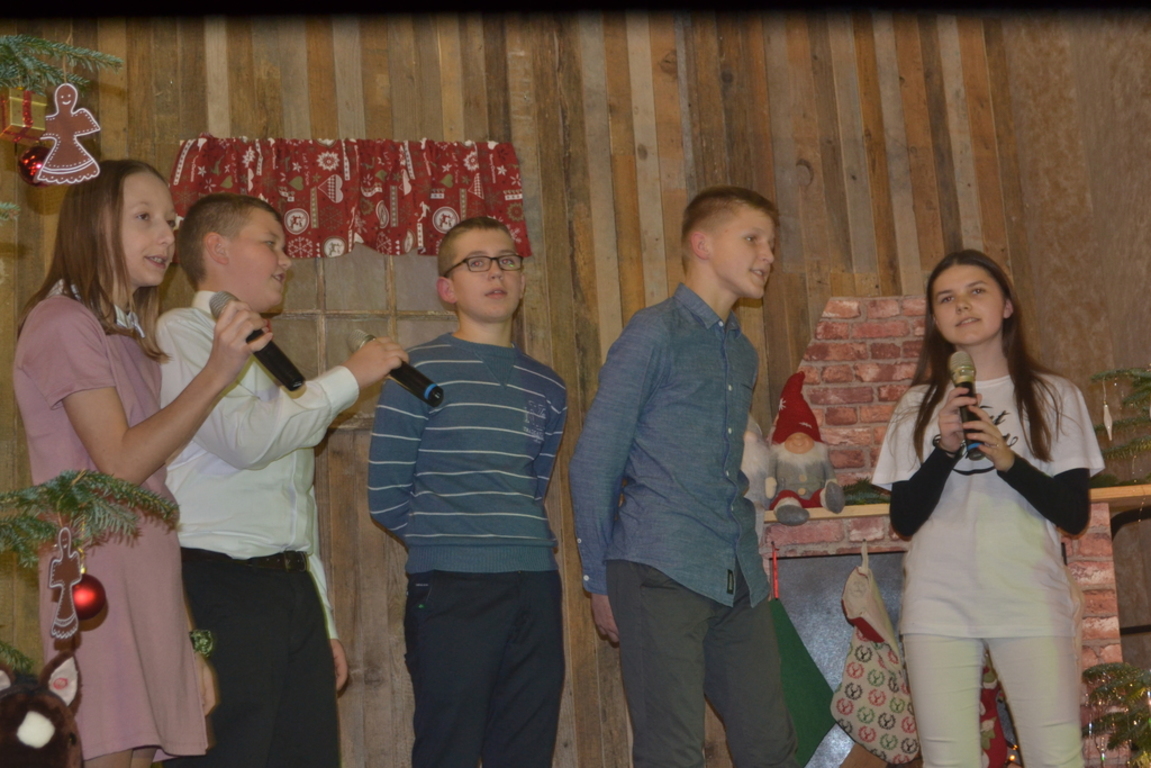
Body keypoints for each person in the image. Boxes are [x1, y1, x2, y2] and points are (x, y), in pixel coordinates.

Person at [12, 160, 266, 768]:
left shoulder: (132, 343)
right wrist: (216, 374)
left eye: (170, 221)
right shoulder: (62, 322)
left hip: (148, 578)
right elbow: (119, 464)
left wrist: (187, 639)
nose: (165, 236)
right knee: (104, 746)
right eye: (144, 218)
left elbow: (154, 499)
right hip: (92, 576)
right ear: (94, 224)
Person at [157, 193, 407, 768]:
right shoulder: (183, 331)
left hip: (290, 592)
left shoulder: (264, 353)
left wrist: (322, 617)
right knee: (226, 755)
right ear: (217, 248)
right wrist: (350, 376)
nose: (286, 260)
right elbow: (243, 441)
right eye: (270, 242)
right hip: (218, 583)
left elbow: (294, 500)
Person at [570, 186, 798, 768]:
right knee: (671, 753)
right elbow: (595, 459)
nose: (768, 255)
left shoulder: (741, 353)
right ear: (702, 244)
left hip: (737, 572)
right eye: (753, 239)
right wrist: (598, 579)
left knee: (771, 746)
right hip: (659, 568)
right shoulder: (654, 332)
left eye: (771, 243)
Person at [872, 249, 1103, 768]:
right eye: (946, 298)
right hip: (937, 605)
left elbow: (1074, 515)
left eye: (976, 291)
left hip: (1029, 599)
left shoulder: (1055, 395)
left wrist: (1008, 461)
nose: (962, 305)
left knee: (1056, 758)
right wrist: (944, 449)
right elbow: (904, 520)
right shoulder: (915, 406)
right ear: (935, 320)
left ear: (1007, 305)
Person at [368, 216, 567, 768]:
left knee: (527, 751)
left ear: (522, 280)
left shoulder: (549, 385)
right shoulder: (415, 372)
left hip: (536, 583)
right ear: (447, 288)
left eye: (507, 261)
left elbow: (532, 485)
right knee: (447, 749)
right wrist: (451, 542)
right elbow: (385, 496)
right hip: (451, 588)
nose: (495, 273)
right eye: (476, 263)